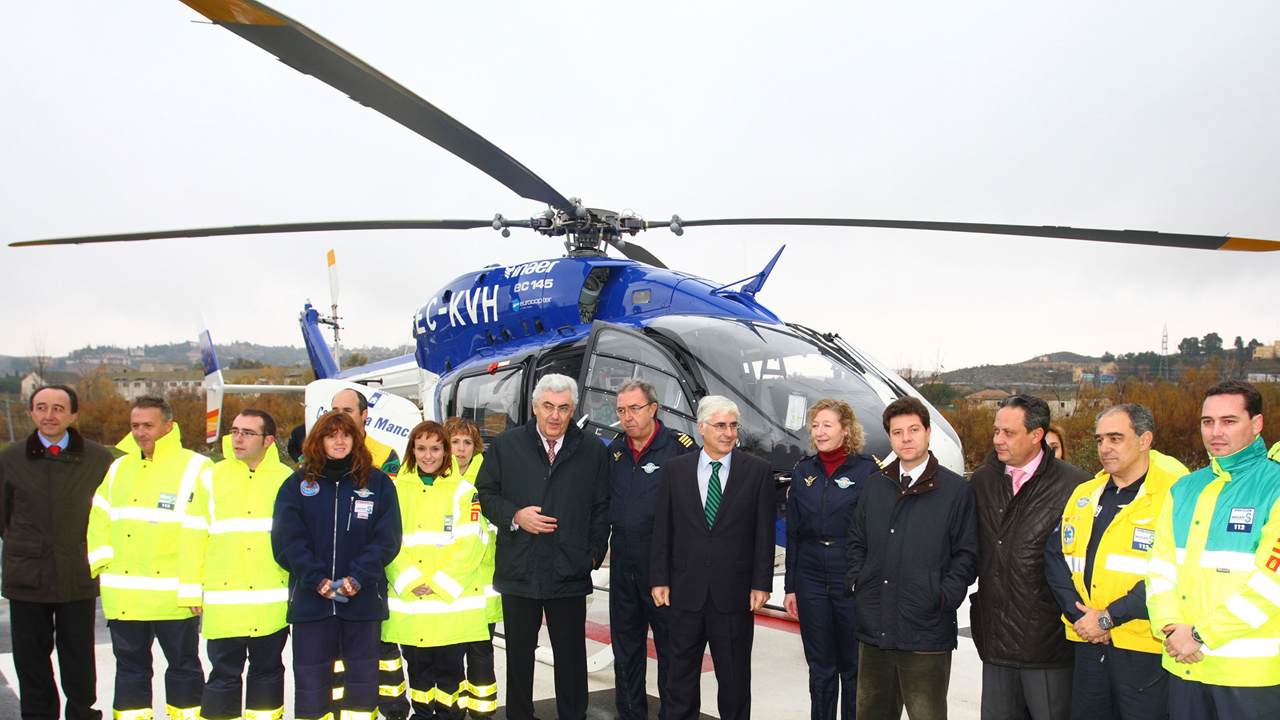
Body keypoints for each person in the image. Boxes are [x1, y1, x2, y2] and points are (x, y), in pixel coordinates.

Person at [475, 373, 610, 720]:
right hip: (519, 569)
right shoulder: (506, 446)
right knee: (519, 657)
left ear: (573, 409)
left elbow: (602, 506)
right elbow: (486, 494)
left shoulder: (593, 450)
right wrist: (516, 515)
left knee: (571, 657)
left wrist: (592, 556)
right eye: (548, 406)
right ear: (535, 406)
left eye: (563, 408)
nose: (555, 415)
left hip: (569, 572)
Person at [1146, 380, 1280, 718]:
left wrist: (1199, 634)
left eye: (1229, 421)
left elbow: (1272, 584)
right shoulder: (1185, 488)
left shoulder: (1274, 485)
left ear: (1257, 424)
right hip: (1184, 666)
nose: (1215, 431)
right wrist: (1171, 626)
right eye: (1208, 422)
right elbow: (1159, 569)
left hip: (1249, 676)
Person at [1045, 404, 1187, 720]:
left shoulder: (1176, 494)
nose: (1104, 448)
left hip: (1144, 646)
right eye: (1099, 440)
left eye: (1115, 438)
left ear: (1145, 439)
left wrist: (1108, 618)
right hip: (1088, 642)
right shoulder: (1086, 492)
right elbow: (1056, 556)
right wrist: (1082, 619)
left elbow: (1174, 571)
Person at [847, 396, 980, 720]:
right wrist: (856, 580)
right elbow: (856, 540)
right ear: (890, 437)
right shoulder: (875, 486)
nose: (906, 438)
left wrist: (943, 595)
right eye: (897, 432)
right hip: (875, 627)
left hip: (926, 630)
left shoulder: (955, 491)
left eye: (913, 430)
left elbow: (968, 554)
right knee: (871, 713)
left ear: (928, 432)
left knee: (927, 715)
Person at [86, 395, 212, 720]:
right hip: (125, 596)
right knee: (130, 670)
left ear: (168, 426)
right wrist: (103, 563)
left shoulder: (197, 467)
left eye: (147, 425)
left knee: (184, 667)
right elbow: (98, 516)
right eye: (135, 425)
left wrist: (197, 584)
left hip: (174, 596)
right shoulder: (118, 468)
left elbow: (206, 530)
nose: (140, 432)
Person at [271, 410, 402, 720]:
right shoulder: (296, 485)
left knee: (362, 683)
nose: (339, 441)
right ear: (319, 440)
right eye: (331, 435)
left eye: (346, 435)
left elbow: (387, 539)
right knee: (312, 685)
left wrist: (356, 579)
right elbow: (287, 540)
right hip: (311, 602)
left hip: (362, 601)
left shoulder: (379, 483)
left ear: (357, 439)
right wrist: (316, 580)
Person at [650, 395, 775, 720]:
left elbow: (764, 532)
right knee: (680, 682)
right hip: (685, 592)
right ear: (702, 428)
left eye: (733, 425)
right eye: (720, 425)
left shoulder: (757, 472)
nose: (729, 432)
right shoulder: (676, 470)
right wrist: (660, 578)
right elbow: (663, 528)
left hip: (733, 597)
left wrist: (761, 582)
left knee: (734, 684)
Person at [969, 394, 1090, 720]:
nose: (998, 439)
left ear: (1037, 435)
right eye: (996, 431)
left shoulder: (1076, 486)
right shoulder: (982, 480)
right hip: (995, 639)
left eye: (1008, 433)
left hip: (1047, 642)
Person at [0, 384, 113, 720]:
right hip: (26, 579)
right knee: (31, 661)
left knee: (79, 658)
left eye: (58, 408)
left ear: (73, 415)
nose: (49, 415)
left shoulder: (98, 459)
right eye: (41, 407)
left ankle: (82, 713)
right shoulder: (9, 459)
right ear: (31, 412)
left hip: (77, 575)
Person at [177, 409, 293, 720]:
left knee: (268, 674)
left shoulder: (288, 480)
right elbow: (193, 537)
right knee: (223, 676)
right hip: (224, 601)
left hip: (272, 602)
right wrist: (189, 592)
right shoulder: (211, 478)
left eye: (247, 433)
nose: (237, 438)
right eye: (234, 431)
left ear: (269, 440)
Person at [607, 379, 699, 720]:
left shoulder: (681, 449)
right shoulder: (615, 451)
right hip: (623, 564)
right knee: (625, 649)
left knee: (673, 650)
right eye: (621, 411)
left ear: (653, 409)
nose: (627, 417)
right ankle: (630, 713)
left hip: (665, 568)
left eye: (634, 409)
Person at [384, 421, 489, 720]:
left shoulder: (463, 490)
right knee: (417, 673)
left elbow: (471, 543)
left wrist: (438, 584)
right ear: (411, 451)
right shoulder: (394, 489)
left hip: (449, 606)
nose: (428, 456)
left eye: (435, 448)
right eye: (421, 448)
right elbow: (386, 539)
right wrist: (410, 580)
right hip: (411, 604)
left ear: (445, 452)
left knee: (450, 675)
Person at [783, 398, 877, 720]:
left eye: (827, 425)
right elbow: (793, 534)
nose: (820, 432)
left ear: (845, 430)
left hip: (850, 576)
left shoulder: (867, 471)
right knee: (820, 667)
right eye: (815, 425)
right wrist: (790, 587)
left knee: (853, 667)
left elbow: (876, 534)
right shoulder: (803, 472)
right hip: (810, 578)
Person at [330, 387, 408, 717]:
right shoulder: (319, 455)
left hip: (372, 572)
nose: (340, 416)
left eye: (347, 410)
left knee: (382, 649)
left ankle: (392, 709)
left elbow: (383, 517)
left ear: (365, 416)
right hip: (331, 575)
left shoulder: (385, 453)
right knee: (336, 654)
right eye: (334, 409)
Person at [445, 416, 501, 719]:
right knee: (450, 654)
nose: (461, 449)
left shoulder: (490, 475)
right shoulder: (438, 477)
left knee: (481, 653)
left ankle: (482, 712)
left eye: (467, 442)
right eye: (455, 442)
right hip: (450, 583)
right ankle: (452, 710)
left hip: (483, 580)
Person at [332, 388, 401, 474]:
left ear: (364, 414)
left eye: (347, 411)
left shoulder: (386, 455)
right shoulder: (320, 450)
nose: (340, 416)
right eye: (335, 411)